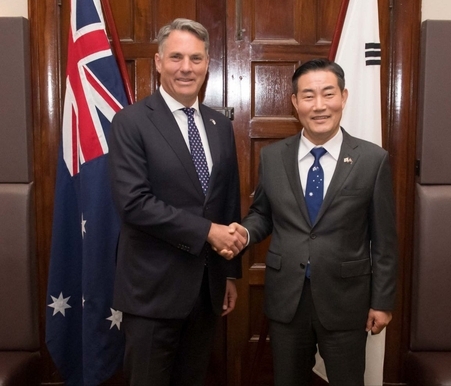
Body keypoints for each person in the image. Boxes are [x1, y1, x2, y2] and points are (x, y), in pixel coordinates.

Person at [229, 58, 398, 386]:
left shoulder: (372, 160)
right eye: (308, 96)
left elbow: (385, 239)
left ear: (344, 97)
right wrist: (245, 233)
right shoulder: (273, 157)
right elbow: (263, 213)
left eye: (328, 94)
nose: (319, 106)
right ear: (295, 102)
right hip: (287, 300)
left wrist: (383, 301)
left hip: (346, 301)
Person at [108, 18, 245, 386]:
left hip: (206, 290)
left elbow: (226, 200)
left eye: (196, 58)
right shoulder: (131, 122)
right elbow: (134, 202)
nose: (186, 68)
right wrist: (208, 233)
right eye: (177, 57)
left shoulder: (219, 125)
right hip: (152, 294)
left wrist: (230, 272)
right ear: (158, 62)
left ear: (207, 64)